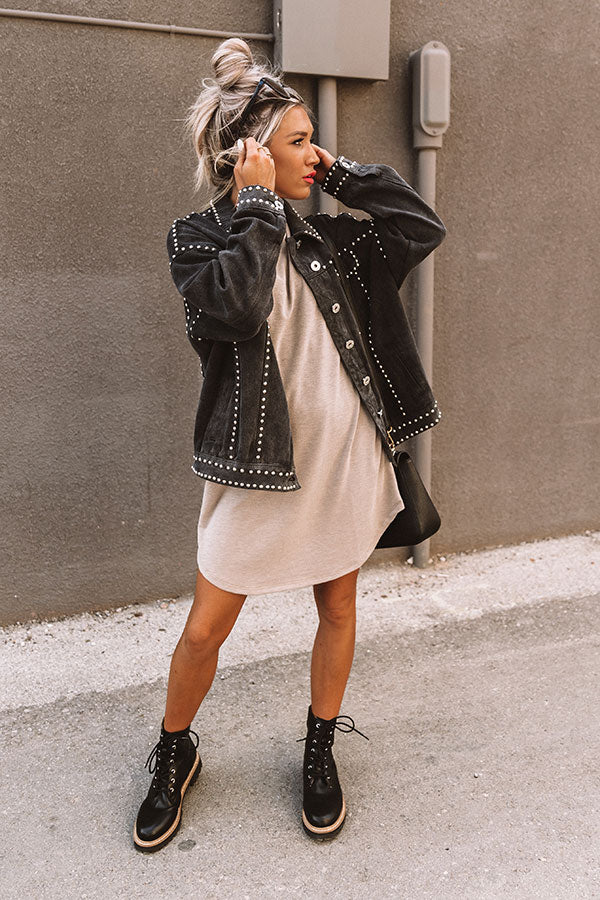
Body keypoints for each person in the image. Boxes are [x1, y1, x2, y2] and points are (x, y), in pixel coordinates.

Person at [133, 37, 446, 852]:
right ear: (248, 156)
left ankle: (319, 744)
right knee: (206, 629)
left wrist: (342, 178)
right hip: (258, 468)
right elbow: (234, 311)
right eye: (299, 142)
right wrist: (259, 209)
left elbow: (421, 225)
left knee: (337, 605)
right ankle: (175, 749)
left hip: (345, 457)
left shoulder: (336, 239)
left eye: (313, 140)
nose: (314, 154)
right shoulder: (197, 241)